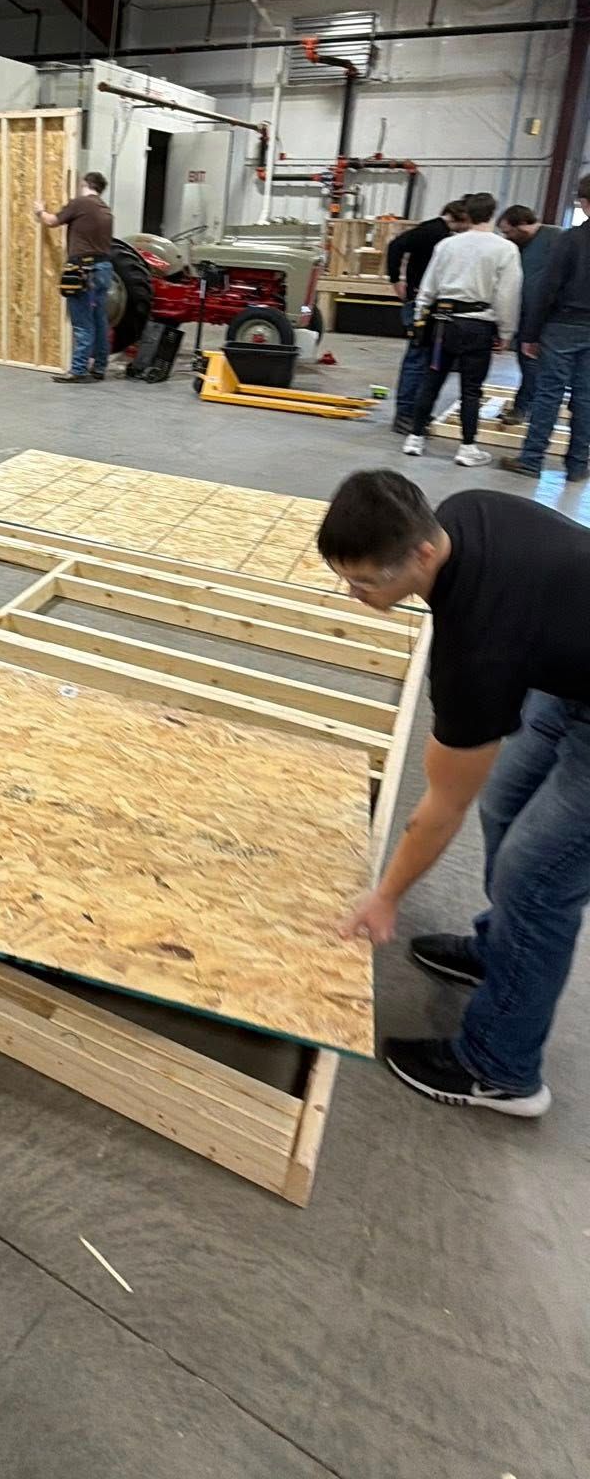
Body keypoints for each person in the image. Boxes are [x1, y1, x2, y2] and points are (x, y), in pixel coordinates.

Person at [319, 468, 590, 1118]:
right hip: (576, 668)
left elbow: (443, 807)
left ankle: (501, 1069)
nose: (352, 595)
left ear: (421, 555)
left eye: (365, 583)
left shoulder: (476, 650)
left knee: (537, 876)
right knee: (509, 800)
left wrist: (385, 899)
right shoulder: (461, 511)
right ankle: (503, 953)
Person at [402, 190, 520, 467]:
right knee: (471, 389)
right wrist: (506, 332)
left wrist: (420, 320)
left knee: (431, 381)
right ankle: (467, 448)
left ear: (466, 214)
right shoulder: (505, 249)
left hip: (442, 324)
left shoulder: (447, 245)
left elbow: (428, 287)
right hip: (478, 325)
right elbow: (507, 295)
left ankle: (415, 438)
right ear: (492, 215)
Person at [500, 174, 590, 482]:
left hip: (563, 324)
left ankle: (532, 459)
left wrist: (530, 334)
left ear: (584, 203)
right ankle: (578, 465)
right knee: (586, 396)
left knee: (548, 394)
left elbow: (547, 288)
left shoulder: (571, 239)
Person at [386, 200, 470, 431]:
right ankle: (405, 414)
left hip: (429, 302)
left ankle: (415, 411)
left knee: (425, 360)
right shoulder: (432, 231)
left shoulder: (442, 234)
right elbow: (395, 245)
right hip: (419, 302)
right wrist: (395, 280)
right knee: (417, 359)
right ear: (459, 217)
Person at [33, 171, 114, 385]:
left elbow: (52, 221)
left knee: (82, 322)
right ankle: (99, 368)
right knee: (99, 321)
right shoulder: (105, 209)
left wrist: (40, 211)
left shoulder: (80, 203)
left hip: (83, 270)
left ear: (84, 184)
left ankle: (78, 370)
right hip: (104, 269)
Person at [496, 205, 563, 425]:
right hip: (525, 316)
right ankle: (525, 407)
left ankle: (524, 409)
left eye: (508, 231)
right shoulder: (520, 246)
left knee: (535, 367)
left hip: (548, 319)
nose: (507, 237)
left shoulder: (557, 239)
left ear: (522, 225)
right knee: (527, 365)